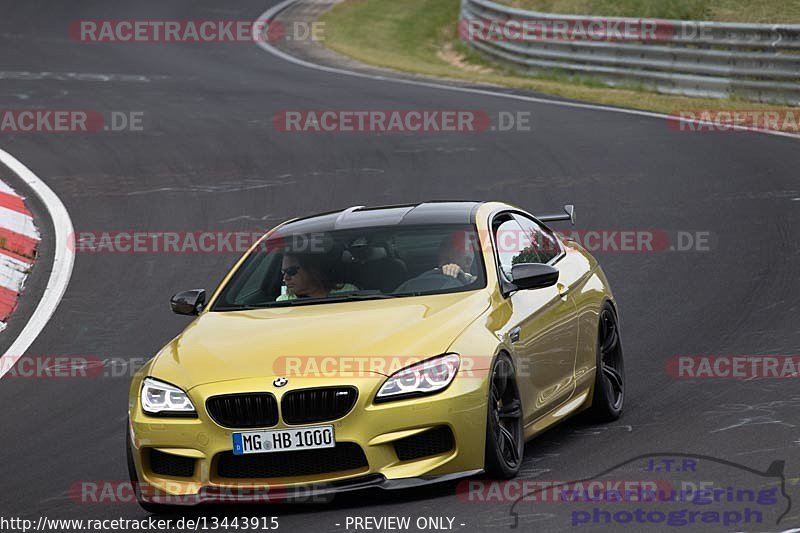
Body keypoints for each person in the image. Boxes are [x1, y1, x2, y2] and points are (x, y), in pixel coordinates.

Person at [276, 252, 358, 301]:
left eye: (291, 271)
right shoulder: (283, 301)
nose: (285, 278)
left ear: (310, 270)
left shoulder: (348, 293)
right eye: (283, 272)